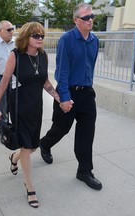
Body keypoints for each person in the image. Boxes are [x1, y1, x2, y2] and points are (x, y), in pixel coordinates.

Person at [0, 22, 60, 208]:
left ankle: (14, 158)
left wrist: (57, 97)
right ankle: (30, 187)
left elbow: (44, 81)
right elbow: (3, 83)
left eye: (42, 36)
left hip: (36, 106)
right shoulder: (15, 55)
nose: (39, 39)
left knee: (33, 146)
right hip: (20, 106)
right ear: (26, 37)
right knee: (27, 147)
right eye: (35, 35)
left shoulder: (43, 56)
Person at [39, 3, 102, 190]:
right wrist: (64, 98)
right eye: (86, 17)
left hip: (87, 94)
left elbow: (90, 66)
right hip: (68, 92)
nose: (90, 20)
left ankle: (84, 171)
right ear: (76, 20)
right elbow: (62, 71)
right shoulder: (66, 39)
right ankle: (45, 144)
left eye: (92, 16)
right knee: (61, 129)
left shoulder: (95, 40)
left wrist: (88, 89)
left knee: (86, 133)